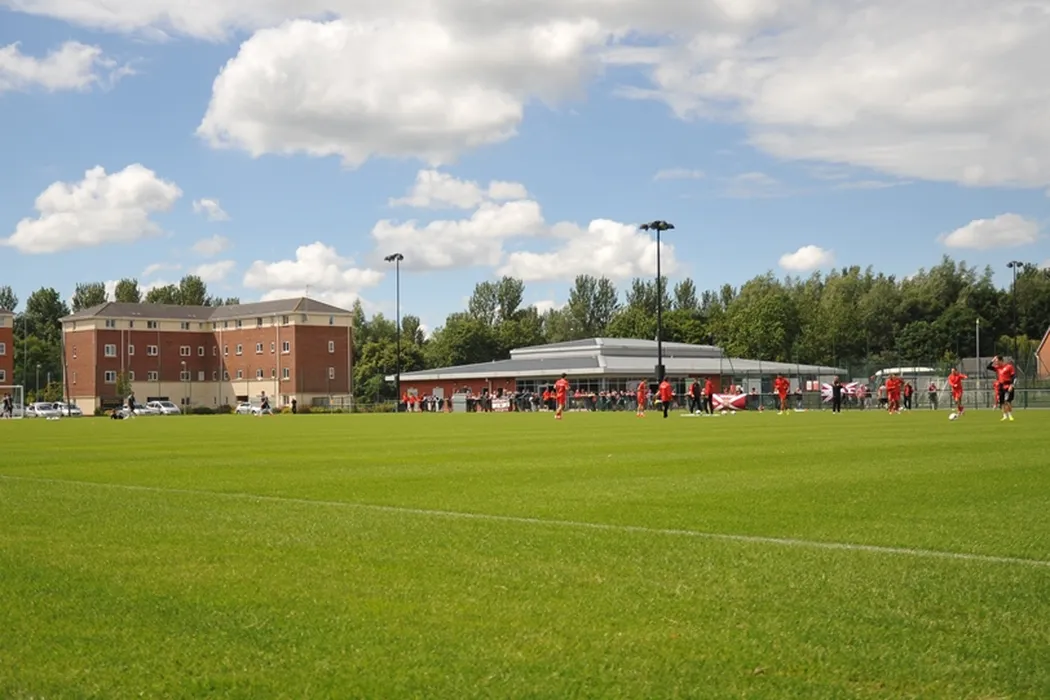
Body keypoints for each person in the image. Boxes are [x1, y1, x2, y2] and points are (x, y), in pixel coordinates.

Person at [988, 356, 1016, 422]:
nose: (996, 362)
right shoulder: (997, 368)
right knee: (1002, 402)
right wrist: (992, 360)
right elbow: (988, 367)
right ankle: (1004, 416)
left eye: (997, 361)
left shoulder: (1009, 367)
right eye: (995, 361)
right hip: (1001, 386)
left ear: (1001, 361)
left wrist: (1012, 385)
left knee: (1007, 401)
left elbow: (1014, 377)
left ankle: (1010, 415)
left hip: (1008, 385)